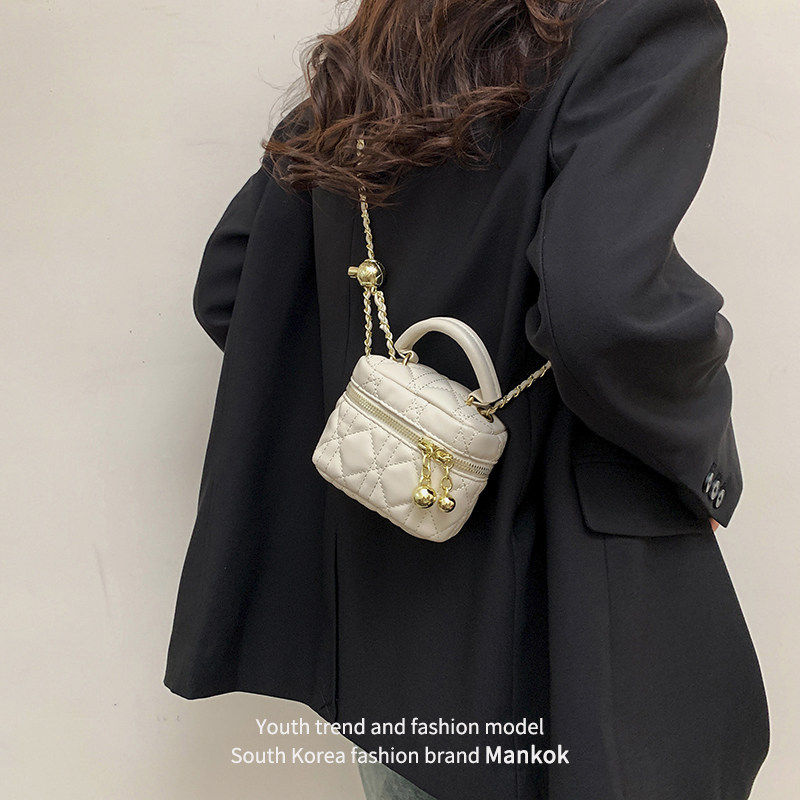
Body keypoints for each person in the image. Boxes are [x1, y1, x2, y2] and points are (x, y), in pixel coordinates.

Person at [163, 0, 770, 798]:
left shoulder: (385, 44)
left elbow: (233, 284)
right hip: (565, 634)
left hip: (390, 647)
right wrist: (697, 456)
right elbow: (601, 310)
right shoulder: (641, 19)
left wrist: (392, 416)